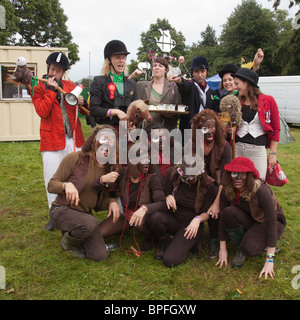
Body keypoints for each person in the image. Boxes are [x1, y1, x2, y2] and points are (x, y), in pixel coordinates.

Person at [47, 125, 122, 261]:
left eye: (111, 140)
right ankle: (67, 243)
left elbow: (98, 204)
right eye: (103, 138)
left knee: (100, 256)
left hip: (84, 215)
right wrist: (66, 185)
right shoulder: (75, 158)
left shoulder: (109, 169)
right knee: (90, 223)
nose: (107, 143)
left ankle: (74, 233)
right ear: (94, 140)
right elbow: (51, 185)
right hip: (62, 209)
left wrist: (112, 202)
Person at [30, 51, 86, 230]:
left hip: (73, 137)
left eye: (59, 71)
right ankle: (54, 214)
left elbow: (83, 111)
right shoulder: (37, 86)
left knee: (76, 174)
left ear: (63, 72)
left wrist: (82, 102)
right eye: (53, 69)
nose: (55, 73)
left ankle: (73, 209)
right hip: (52, 139)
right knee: (52, 176)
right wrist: (51, 91)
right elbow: (42, 111)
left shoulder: (70, 85)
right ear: (48, 67)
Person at [216, 157, 286, 278]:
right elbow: (222, 218)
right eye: (234, 173)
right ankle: (240, 248)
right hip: (250, 219)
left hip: (267, 222)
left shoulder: (261, 190)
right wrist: (222, 248)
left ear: (249, 176)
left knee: (250, 248)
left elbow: (272, 223)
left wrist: (269, 259)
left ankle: (261, 245)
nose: (237, 178)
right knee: (228, 212)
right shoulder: (228, 190)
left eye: (242, 174)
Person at [147, 158, 219, 267]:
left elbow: (207, 213)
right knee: (154, 217)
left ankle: (190, 242)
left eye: (191, 178)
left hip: (191, 224)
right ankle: (163, 240)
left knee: (170, 260)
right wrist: (168, 196)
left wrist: (198, 219)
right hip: (173, 217)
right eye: (185, 178)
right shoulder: (173, 173)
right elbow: (165, 193)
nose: (188, 181)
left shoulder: (208, 185)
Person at [98, 146, 166, 253]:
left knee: (138, 222)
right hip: (125, 215)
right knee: (101, 232)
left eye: (148, 159)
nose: (147, 163)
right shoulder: (123, 173)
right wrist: (111, 197)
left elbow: (162, 203)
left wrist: (145, 208)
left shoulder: (152, 178)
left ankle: (151, 238)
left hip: (144, 216)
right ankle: (127, 227)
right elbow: (106, 188)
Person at [191, 109, 232, 257]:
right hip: (199, 183)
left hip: (220, 186)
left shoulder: (224, 147)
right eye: (205, 128)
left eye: (212, 127)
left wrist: (216, 203)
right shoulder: (193, 145)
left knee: (214, 194)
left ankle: (214, 237)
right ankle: (195, 235)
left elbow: (226, 178)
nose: (209, 131)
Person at [231, 68, 280, 179]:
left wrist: (272, 153)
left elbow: (276, 128)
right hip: (237, 148)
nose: (235, 87)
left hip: (257, 150)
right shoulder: (235, 101)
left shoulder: (268, 100)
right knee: (237, 183)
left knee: (258, 183)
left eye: (237, 83)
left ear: (247, 83)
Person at [89, 40, 137, 131]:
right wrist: (115, 112)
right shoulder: (99, 82)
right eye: (118, 57)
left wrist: (133, 123)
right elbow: (94, 109)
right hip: (106, 130)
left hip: (126, 132)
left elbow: (136, 109)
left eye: (123, 58)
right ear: (108, 60)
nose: (121, 61)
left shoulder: (132, 84)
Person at [168, 56, 219, 139]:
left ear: (207, 72)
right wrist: (179, 80)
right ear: (192, 73)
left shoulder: (212, 92)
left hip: (207, 133)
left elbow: (216, 109)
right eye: (196, 72)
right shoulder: (191, 87)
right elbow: (185, 86)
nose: (200, 75)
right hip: (189, 133)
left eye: (202, 71)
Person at [137, 57, 181, 131]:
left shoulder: (174, 87)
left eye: (160, 66)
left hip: (166, 129)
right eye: (155, 66)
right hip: (147, 129)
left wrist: (169, 116)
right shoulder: (141, 85)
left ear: (166, 70)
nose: (157, 68)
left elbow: (178, 110)